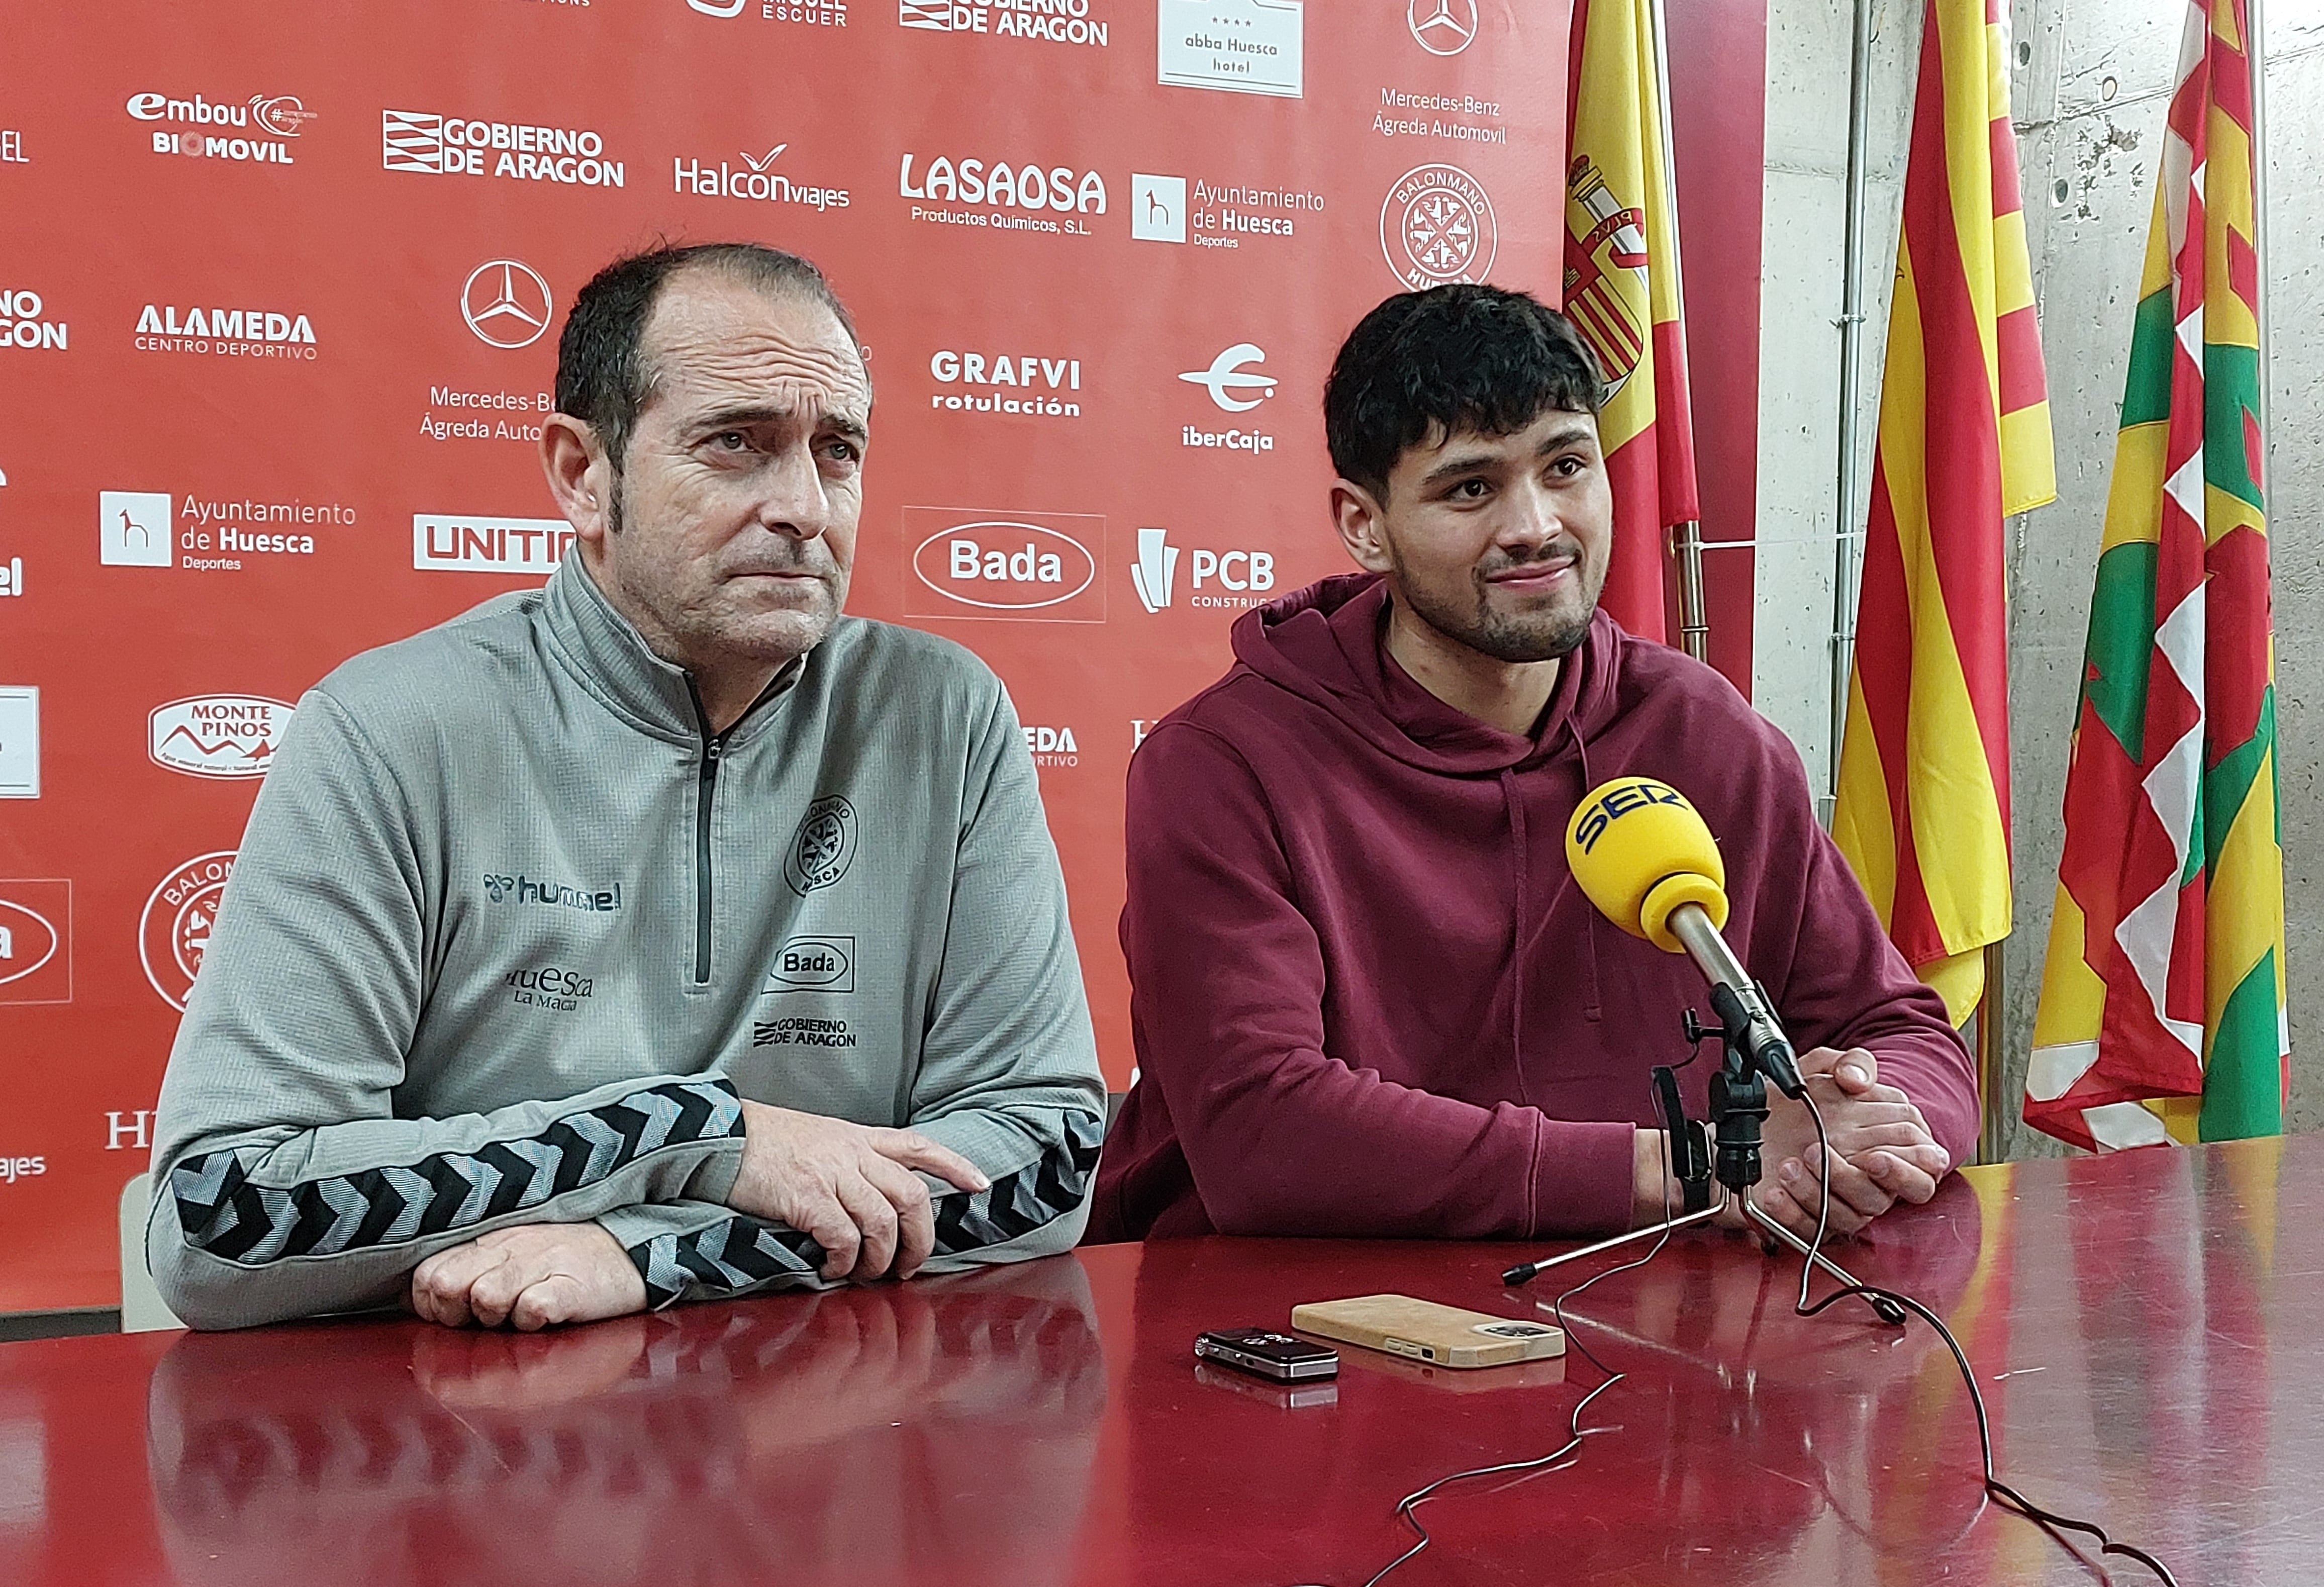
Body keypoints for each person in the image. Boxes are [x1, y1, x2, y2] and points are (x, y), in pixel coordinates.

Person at [148, 243, 1104, 1333]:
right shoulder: (388, 729)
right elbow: (221, 1213)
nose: (802, 506)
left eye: (836, 451)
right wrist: (696, 1138)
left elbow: (1043, 1159)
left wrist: (650, 1250)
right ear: (581, 475)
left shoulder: (943, 713)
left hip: (831, 1451)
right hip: (474, 1445)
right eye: (735, 445)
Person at [1090, 285, 1974, 1247]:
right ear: (1362, 523)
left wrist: (1874, 1135)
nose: (1535, 526)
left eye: (1565, 467)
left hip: (1654, 1324)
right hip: (1300, 1342)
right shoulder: (1220, 765)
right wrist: (1701, 1163)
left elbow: (1906, 1034)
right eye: (1471, 488)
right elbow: (1265, 1133)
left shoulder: (1705, 733)